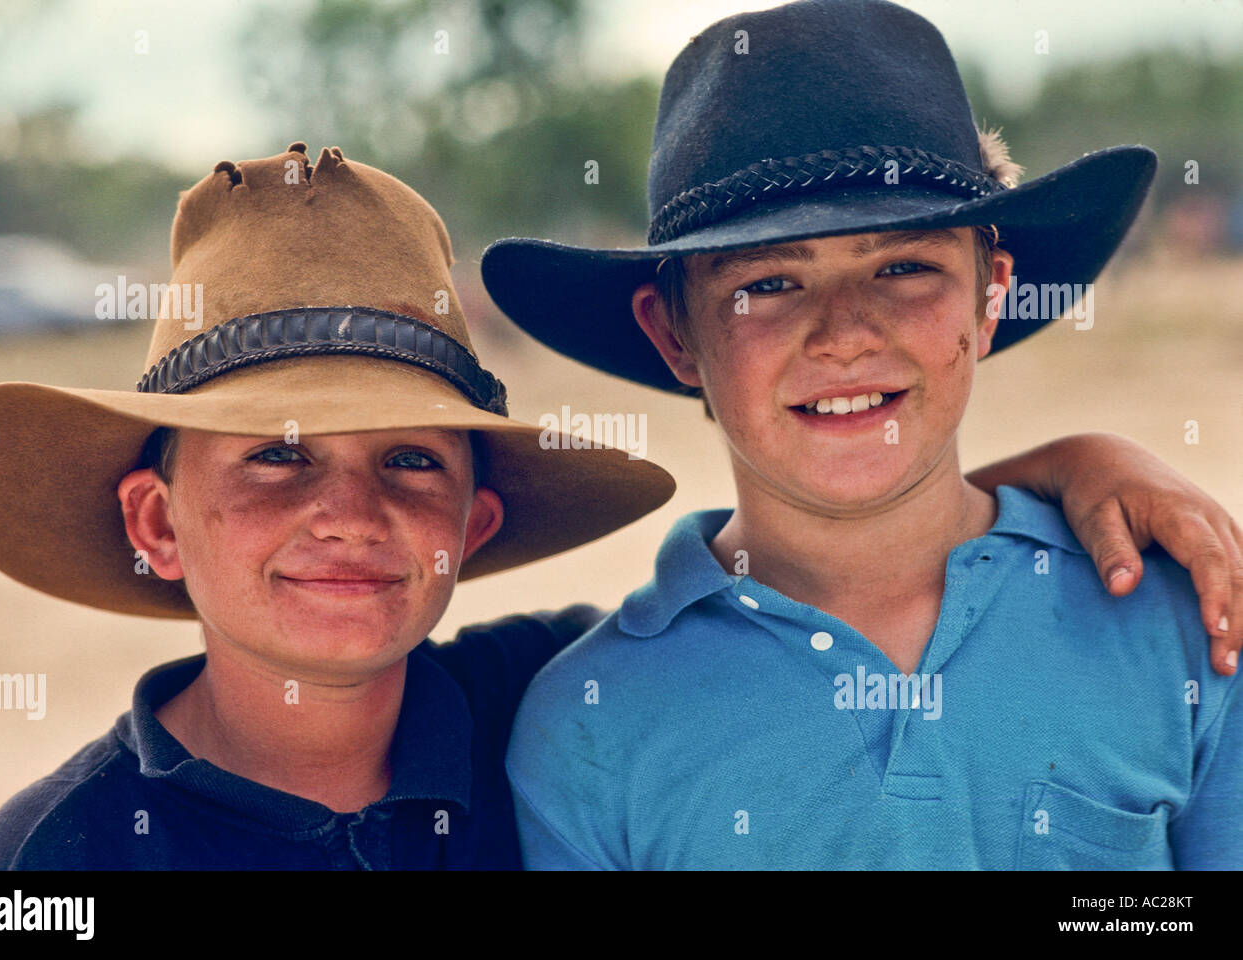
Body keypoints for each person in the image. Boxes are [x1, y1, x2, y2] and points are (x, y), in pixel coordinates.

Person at [485, 0, 1243, 868]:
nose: (844, 334)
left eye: (904, 267)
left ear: (990, 295)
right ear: (673, 334)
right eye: (768, 284)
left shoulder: (1183, 621)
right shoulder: (587, 723)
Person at [0, 142, 675, 869]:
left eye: (412, 461)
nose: (352, 516)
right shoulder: (59, 856)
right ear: (159, 525)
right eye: (277, 456)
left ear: (472, 526)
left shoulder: (561, 700)